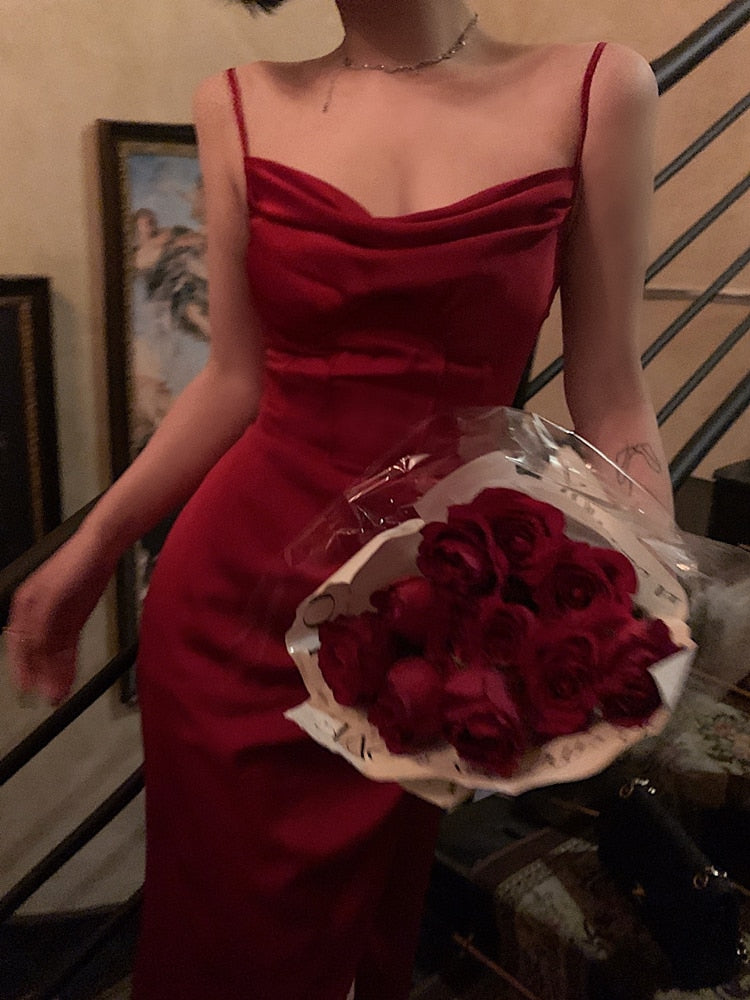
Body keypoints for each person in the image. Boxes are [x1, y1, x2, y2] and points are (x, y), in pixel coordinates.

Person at [5, 1, 674, 997]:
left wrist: (653, 588)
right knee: (216, 947)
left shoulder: (597, 88)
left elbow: (611, 389)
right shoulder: (235, 103)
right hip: (230, 612)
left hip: (427, 616)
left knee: (361, 942)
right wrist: (94, 547)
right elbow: (233, 380)